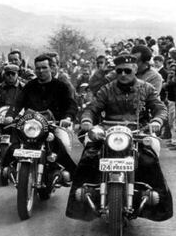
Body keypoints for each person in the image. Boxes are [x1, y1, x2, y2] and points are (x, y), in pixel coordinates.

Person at [66, 54, 172, 222]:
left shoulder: (146, 88)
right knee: (89, 153)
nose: (123, 74)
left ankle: (152, 195)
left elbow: (160, 108)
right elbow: (92, 108)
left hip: (139, 130)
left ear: (135, 70)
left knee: (152, 152)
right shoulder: (106, 89)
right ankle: (85, 195)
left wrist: (157, 121)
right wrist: (86, 120)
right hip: (108, 131)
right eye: (119, 71)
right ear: (115, 71)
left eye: (127, 71)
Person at [4, 54, 78, 178]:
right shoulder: (30, 86)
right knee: (14, 141)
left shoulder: (61, 86)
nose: (41, 71)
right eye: (38, 68)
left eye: (44, 68)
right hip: (32, 125)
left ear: (51, 68)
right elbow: (17, 103)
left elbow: (71, 105)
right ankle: (8, 168)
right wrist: (10, 115)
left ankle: (69, 175)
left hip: (54, 125)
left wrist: (68, 118)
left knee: (68, 146)